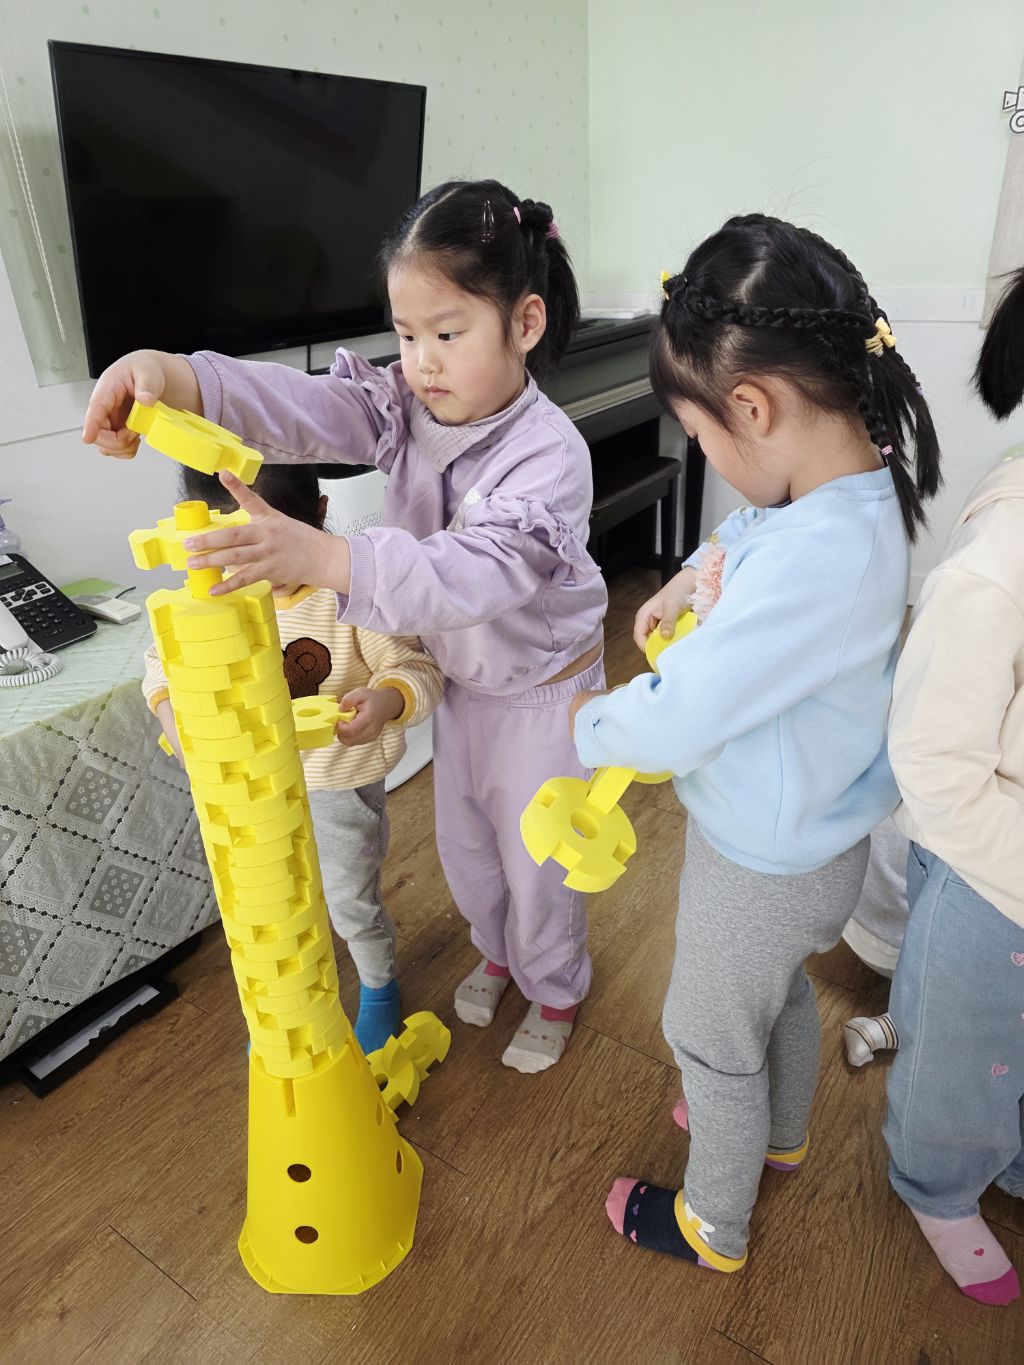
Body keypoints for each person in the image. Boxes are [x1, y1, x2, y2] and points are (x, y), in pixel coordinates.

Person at [83, 180, 607, 1073]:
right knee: (468, 849)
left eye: (447, 334)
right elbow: (297, 407)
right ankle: (497, 951)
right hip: (464, 685)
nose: (422, 362)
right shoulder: (407, 404)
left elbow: (470, 573)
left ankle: (555, 983)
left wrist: (329, 558)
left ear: (525, 323)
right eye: (406, 336)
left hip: (542, 694)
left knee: (538, 859)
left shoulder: (550, 457)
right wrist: (171, 373)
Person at [571, 214, 940, 1273]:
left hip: (759, 860)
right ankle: (776, 1137)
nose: (703, 456)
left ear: (751, 406)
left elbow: (685, 712)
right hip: (812, 843)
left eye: (698, 437)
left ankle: (712, 1221)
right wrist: (693, 575)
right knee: (771, 996)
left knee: (707, 1034)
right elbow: (752, 532)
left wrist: (590, 722)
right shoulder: (851, 491)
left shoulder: (814, 558)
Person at [144, 464, 442, 1055]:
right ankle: (300, 994)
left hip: (334, 784)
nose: (251, 573)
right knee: (274, 901)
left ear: (320, 515)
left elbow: (417, 668)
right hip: (250, 792)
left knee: (349, 899)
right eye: (232, 555)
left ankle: (379, 987)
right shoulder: (211, 594)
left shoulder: (349, 596)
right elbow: (161, 663)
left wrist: (387, 700)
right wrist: (171, 714)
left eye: (269, 552)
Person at [882, 265, 1024, 1306]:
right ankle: (935, 1183)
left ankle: (1003, 1150)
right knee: (960, 1046)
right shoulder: (993, 574)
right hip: (989, 874)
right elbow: (932, 761)